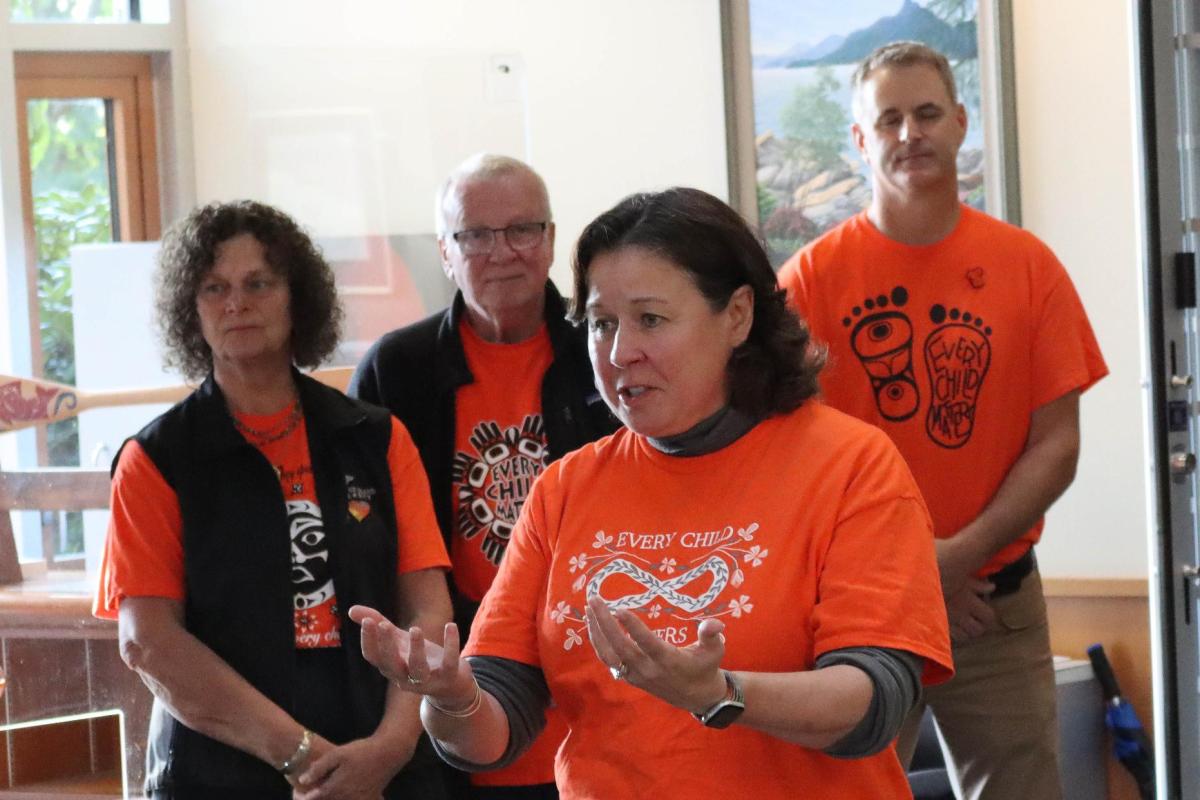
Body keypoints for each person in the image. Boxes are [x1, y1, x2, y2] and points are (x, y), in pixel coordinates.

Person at [349, 187, 954, 799]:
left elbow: (875, 700)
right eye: (602, 324)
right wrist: (451, 699)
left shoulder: (851, 464)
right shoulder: (566, 487)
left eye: (651, 320)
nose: (619, 353)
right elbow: (492, 731)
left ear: (738, 316)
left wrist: (720, 695)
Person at [777, 42, 1109, 799]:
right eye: (887, 119)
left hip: (995, 605)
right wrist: (913, 576)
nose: (909, 133)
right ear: (860, 141)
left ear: (960, 123)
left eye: (926, 113)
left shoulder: (1029, 267)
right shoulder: (807, 283)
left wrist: (953, 560)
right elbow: (790, 458)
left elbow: (1056, 446)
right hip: (860, 610)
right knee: (848, 791)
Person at [93, 200, 455, 799]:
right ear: (192, 310)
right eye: (215, 287)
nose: (237, 303)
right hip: (224, 771)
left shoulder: (378, 438)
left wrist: (391, 748)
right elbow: (148, 641)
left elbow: (427, 612)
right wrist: (302, 756)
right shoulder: (155, 460)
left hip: (382, 760)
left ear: (297, 297)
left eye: (258, 282)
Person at [350, 154, 617, 798]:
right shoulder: (398, 368)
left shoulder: (606, 351)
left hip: (595, 666)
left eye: (523, 229)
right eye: (475, 235)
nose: (502, 252)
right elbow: (365, 533)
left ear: (552, 240)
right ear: (446, 251)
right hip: (458, 674)